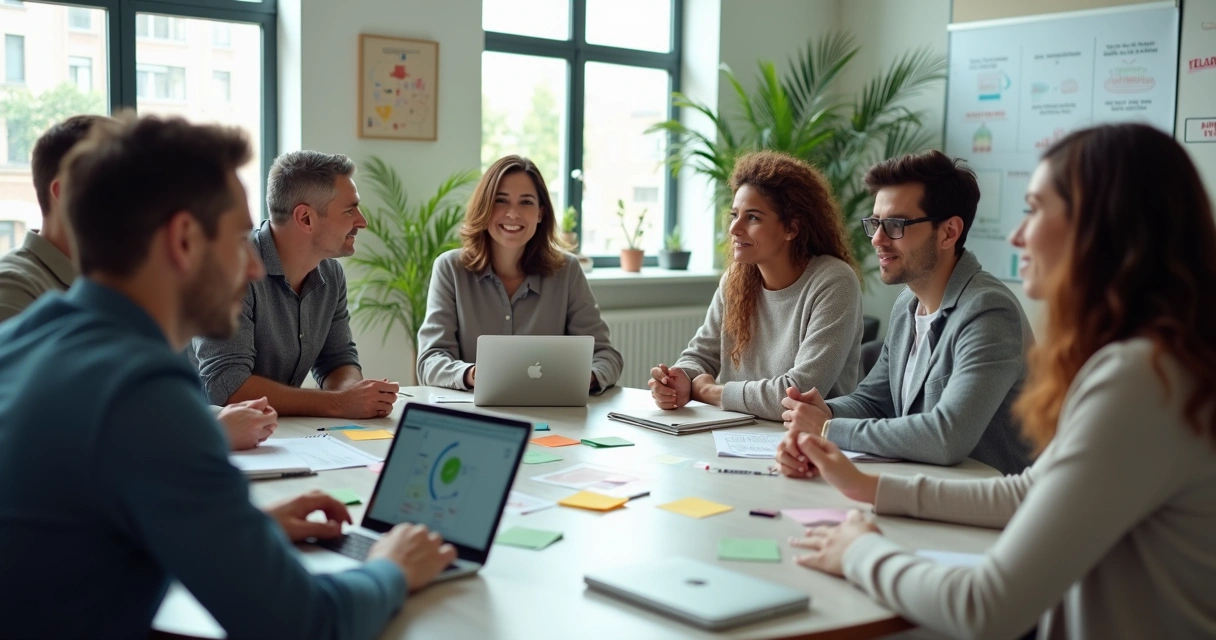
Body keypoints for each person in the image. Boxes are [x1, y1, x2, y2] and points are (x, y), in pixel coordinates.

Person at [0, 114, 457, 638]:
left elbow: (85, 528)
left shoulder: (28, 337)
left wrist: (244, 530)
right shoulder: (143, 392)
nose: (256, 267)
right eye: (239, 238)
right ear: (184, 239)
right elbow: (304, 623)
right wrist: (393, 566)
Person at [780, 123, 1216, 639]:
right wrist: (866, 486)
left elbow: (984, 608)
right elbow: (1030, 493)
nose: (1016, 235)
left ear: (1102, 226)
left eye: (1034, 209)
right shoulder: (1150, 362)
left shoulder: (1141, 379)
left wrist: (859, 550)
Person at [0, 114, 277, 450]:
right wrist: (209, 431)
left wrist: (209, 417)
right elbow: (96, 428)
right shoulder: (14, 287)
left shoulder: (133, 314)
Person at [778, 150, 1032, 474]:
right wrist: (824, 413)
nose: (878, 240)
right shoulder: (906, 304)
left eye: (896, 224)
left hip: (989, 510)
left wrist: (827, 430)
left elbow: (945, 437)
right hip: (924, 487)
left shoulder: (989, 312)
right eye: (875, 224)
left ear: (949, 232)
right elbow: (874, 401)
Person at [647, 151, 863, 421]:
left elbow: (796, 394)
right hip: (737, 434)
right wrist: (679, 380)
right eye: (735, 214)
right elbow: (700, 355)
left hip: (807, 443)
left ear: (791, 228)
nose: (734, 228)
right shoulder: (736, 279)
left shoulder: (834, 282)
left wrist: (710, 392)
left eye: (752, 217)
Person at [193, 150, 400, 419]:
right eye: (350, 210)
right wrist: (338, 403)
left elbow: (337, 361)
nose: (362, 221)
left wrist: (354, 395)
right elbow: (228, 386)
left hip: (280, 434)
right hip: (206, 438)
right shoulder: (229, 270)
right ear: (305, 219)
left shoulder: (331, 274)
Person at [416, 155, 622, 392]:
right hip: (474, 414)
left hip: (554, 413)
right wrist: (473, 374)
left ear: (541, 214)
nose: (513, 213)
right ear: (484, 207)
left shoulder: (567, 271)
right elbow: (430, 361)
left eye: (525, 202)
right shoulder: (450, 268)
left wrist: (586, 377)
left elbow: (607, 356)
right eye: (501, 201)